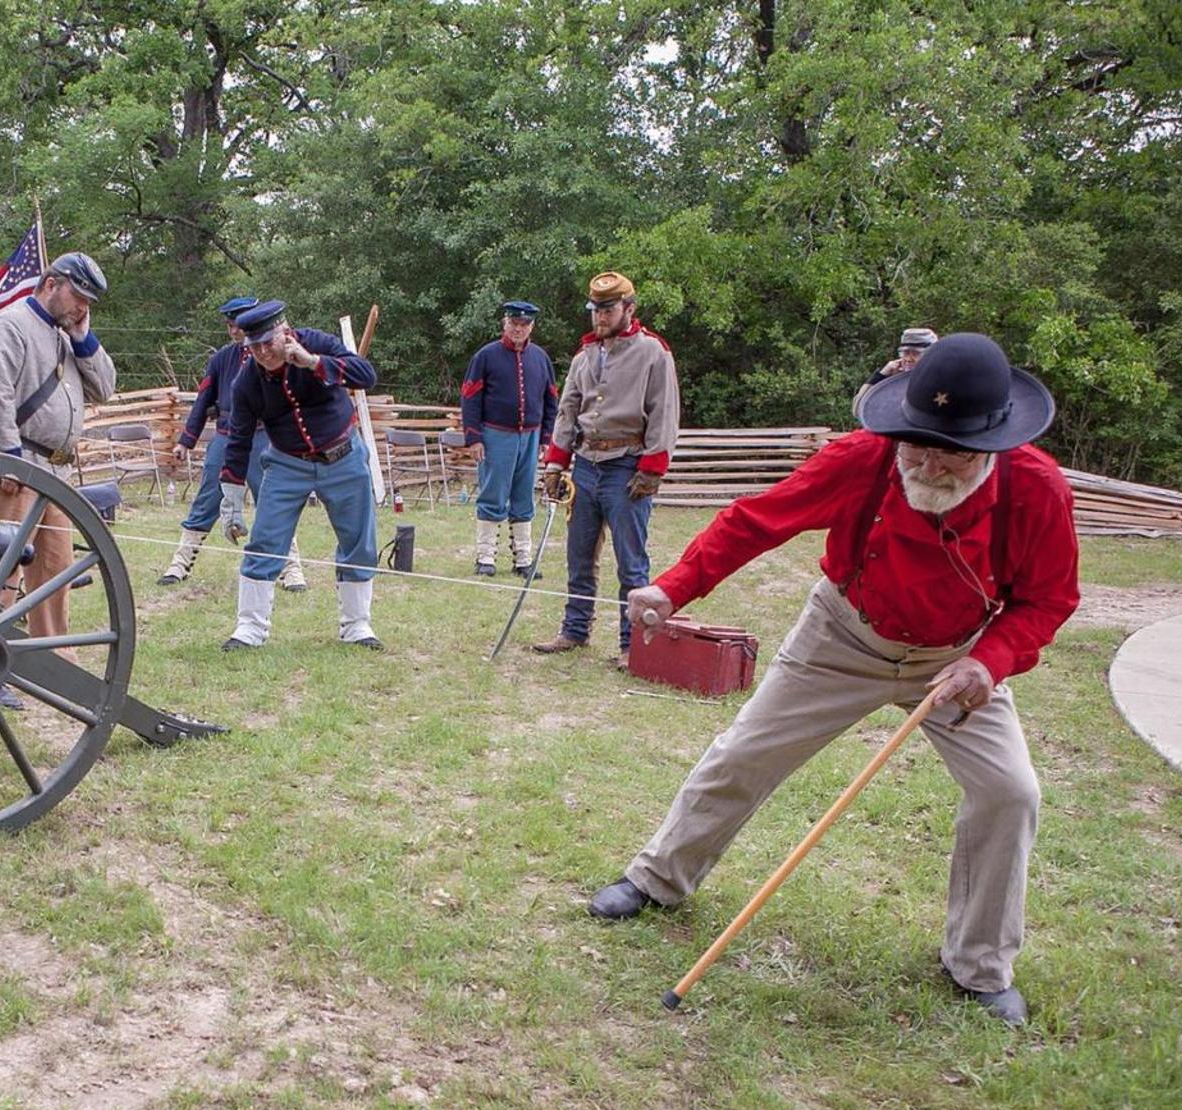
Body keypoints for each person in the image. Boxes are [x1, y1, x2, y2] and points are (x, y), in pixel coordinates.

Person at [589, 333, 1079, 1027]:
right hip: (842, 636)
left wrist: (989, 662)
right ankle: (657, 880)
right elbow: (755, 521)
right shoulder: (863, 460)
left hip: (958, 660)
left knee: (1011, 791)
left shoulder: (1036, 490)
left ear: (992, 444)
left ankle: (979, 967)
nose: (931, 464)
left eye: (953, 451)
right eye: (918, 444)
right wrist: (672, 588)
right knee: (743, 752)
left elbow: (1049, 600)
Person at [0, 251, 117, 642]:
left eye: (88, 302)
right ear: (52, 284)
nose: (83, 307)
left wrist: (83, 341)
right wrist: (7, 460)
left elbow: (105, 389)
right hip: (19, 469)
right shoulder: (10, 327)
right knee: (1, 569)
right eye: (78, 297)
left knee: (54, 571)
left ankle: (52, 655)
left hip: (56, 475)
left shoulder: (69, 338)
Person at [532, 272, 679, 664]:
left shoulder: (653, 353)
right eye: (596, 310)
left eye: (608, 309)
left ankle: (633, 646)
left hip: (627, 467)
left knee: (631, 564)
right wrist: (555, 463)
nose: (600, 317)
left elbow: (663, 413)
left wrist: (652, 469)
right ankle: (575, 631)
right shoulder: (584, 355)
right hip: (585, 466)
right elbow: (568, 411)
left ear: (629, 309)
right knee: (579, 557)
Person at [218, 301, 381, 651]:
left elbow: (366, 375)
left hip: (343, 456)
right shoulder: (245, 382)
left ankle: (357, 625)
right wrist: (231, 503)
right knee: (264, 542)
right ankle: (249, 628)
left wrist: (313, 363)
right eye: (254, 346)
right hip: (286, 463)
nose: (263, 352)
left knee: (359, 542)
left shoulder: (317, 342)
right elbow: (238, 441)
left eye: (268, 342)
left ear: (285, 331)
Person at [159, 296, 306, 590]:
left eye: (237, 326)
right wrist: (187, 441)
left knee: (273, 502)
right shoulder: (221, 359)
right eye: (230, 326)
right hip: (226, 435)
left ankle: (290, 569)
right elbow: (204, 400)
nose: (233, 332)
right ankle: (180, 563)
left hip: (264, 437)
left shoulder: (274, 357)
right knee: (207, 501)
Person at [460, 300, 560, 576]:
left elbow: (551, 399)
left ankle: (523, 559)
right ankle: (485, 557)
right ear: (505, 323)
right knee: (493, 494)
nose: (518, 329)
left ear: (531, 327)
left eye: (524, 324)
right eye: (514, 323)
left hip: (530, 436)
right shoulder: (486, 356)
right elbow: (470, 398)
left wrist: (546, 438)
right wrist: (474, 437)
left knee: (524, 496)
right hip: (495, 436)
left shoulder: (540, 358)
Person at [852, 327, 938, 418]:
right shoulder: (894, 380)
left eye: (916, 353)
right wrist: (881, 376)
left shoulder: (938, 381)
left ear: (930, 355)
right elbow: (858, 410)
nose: (908, 359)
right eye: (905, 353)